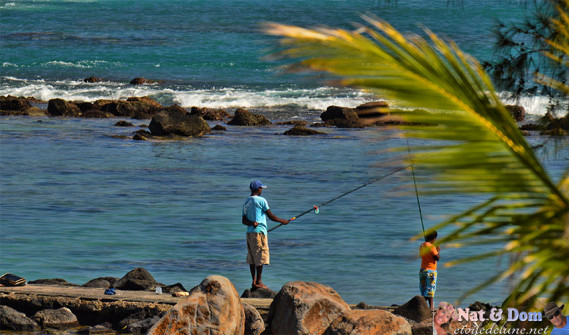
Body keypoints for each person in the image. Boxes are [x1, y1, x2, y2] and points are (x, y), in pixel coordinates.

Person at [242, 180, 290, 289]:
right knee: (260, 255)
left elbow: (243, 220)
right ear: (258, 189)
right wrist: (283, 221)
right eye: (261, 188)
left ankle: (253, 281)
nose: (262, 190)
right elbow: (271, 216)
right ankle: (259, 282)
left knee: (252, 257)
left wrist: (251, 223)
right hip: (259, 233)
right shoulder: (261, 200)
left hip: (249, 233)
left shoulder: (246, 201)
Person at [419, 230, 440, 310]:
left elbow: (423, 255)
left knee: (424, 288)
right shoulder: (431, 247)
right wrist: (437, 250)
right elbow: (437, 258)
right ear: (434, 238)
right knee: (431, 289)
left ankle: (426, 306)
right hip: (431, 271)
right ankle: (429, 306)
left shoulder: (421, 246)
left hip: (422, 270)